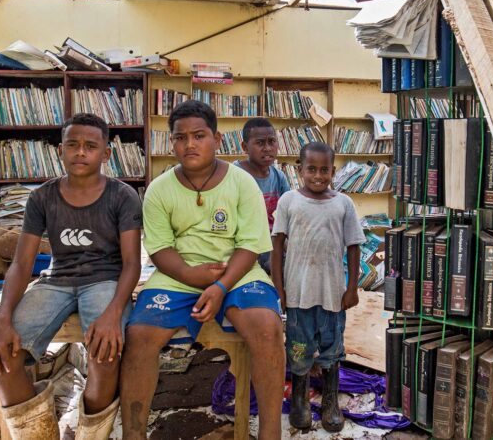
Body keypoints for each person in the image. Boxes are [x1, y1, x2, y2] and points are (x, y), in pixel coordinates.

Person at [122, 100, 285, 440]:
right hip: (178, 274)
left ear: (218, 139)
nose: (190, 144)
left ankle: (271, 432)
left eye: (199, 135)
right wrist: (193, 277)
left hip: (238, 272)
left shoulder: (242, 183)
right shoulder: (159, 189)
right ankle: (133, 434)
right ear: (171, 143)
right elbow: (160, 248)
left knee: (268, 328)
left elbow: (250, 245)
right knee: (138, 337)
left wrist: (221, 286)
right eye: (181, 138)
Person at [0, 113, 142, 440]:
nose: (81, 152)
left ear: (106, 154)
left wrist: (112, 314)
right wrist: (2, 319)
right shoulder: (42, 197)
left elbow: (132, 264)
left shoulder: (122, 196)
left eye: (90, 146)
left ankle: (89, 434)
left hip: (105, 280)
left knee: (105, 352)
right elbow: (22, 264)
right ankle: (38, 434)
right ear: (60, 150)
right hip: (56, 281)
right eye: (73, 145)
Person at [271, 141, 364, 432]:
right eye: (311, 169)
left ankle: (330, 401)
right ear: (300, 170)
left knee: (332, 348)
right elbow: (276, 248)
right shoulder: (288, 201)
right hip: (298, 294)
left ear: (333, 171)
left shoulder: (343, 203)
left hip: (332, 294)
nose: (318, 176)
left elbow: (353, 247)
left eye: (325, 170)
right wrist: (279, 288)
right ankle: (299, 399)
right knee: (298, 348)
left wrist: (352, 288)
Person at [234, 117, 291, 273]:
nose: (267, 148)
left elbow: (289, 215)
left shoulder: (279, 177)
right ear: (245, 147)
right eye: (260, 143)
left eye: (272, 141)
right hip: (243, 248)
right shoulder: (234, 176)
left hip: (274, 247)